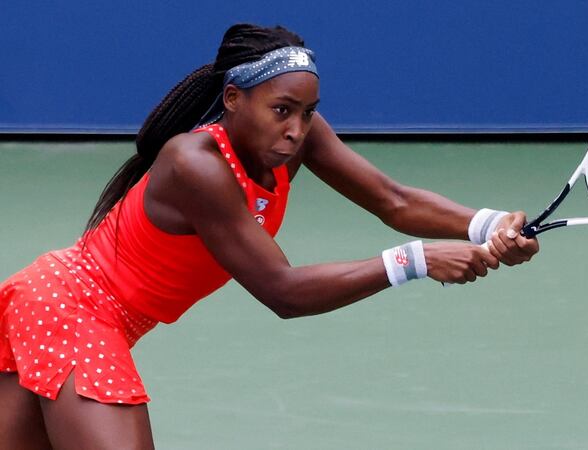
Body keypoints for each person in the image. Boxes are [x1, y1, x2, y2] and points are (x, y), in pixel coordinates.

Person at [0, 23, 539, 449]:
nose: (296, 129)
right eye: (282, 110)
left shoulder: (294, 136)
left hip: (56, 303)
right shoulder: (196, 165)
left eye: (308, 114)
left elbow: (392, 200)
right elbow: (282, 291)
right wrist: (414, 260)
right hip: (69, 312)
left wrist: (489, 225)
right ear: (234, 99)